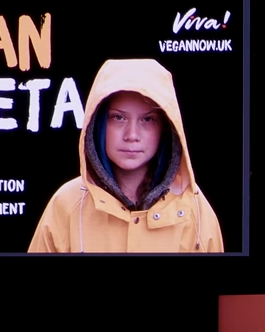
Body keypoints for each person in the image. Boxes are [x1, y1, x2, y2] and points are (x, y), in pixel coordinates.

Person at [29, 58, 224, 253]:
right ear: (98, 123)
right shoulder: (66, 204)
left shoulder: (194, 208)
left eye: (148, 119)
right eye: (118, 117)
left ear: (166, 127)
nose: (131, 135)